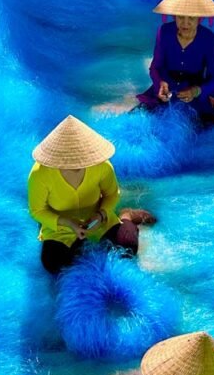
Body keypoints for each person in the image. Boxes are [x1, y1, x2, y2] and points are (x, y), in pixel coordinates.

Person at [28, 115, 154, 274]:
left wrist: (101, 215)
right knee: (54, 264)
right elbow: (37, 210)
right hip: (61, 227)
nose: (76, 164)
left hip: (98, 220)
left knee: (127, 250)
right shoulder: (39, 174)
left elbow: (112, 195)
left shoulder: (102, 166)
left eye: (81, 158)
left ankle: (126, 216)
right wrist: (68, 223)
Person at [136, 0, 214, 128]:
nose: (185, 23)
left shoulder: (209, 39)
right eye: (181, 17)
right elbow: (155, 67)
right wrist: (160, 84)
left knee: (208, 130)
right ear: (174, 16)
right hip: (165, 88)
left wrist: (196, 91)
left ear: (199, 19)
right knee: (138, 121)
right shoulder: (164, 32)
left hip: (194, 92)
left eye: (191, 18)